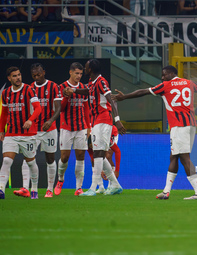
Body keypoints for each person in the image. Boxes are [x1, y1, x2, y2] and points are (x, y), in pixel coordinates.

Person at [113, 65, 197, 200]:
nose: (162, 77)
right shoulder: (189, 83)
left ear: (173, 73)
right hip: (190, 124)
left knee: (184, 158)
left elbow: (143, 92)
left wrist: (124, 97)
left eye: (165, 74)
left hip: (179, 126)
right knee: (174, 157)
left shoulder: (166, 85)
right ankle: (166, 191)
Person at [64, 59, 125, 196]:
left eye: (86, 67)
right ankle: (115, 184)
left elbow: (111, 100)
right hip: (96, 121)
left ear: (90, 69)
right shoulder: (92, 83)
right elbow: (88, 91)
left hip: (103, 120)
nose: (84, 69)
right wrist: (73, 90)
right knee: (99, 154)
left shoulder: (101, 81)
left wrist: (117, 120)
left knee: (98, 153)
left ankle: (92, 188)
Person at [13, 63, 61, 198]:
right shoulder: (29, 88)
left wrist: (51, 121)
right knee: (27, 158)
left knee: (50, 158)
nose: (36, 77)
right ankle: (25, 188)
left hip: (49, 128)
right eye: (34, 75)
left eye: (38, 74)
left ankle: (49, 189)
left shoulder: (53, 87)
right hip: (34, 130)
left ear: (44, 72)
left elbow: (58, 108)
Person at [0, 67, 42, 199]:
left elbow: (38, 108)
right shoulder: (6, 93)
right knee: (6, 160)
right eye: (14, 76)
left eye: (19, 75)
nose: (18, 78)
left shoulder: (29, 90)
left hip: (27, 134)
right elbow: (5, 114)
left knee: (31, 163)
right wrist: (1, 130)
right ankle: (1, 189)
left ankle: (34, 189)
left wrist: (30, 120)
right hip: (11, 133)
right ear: (9, 78)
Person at [54, 62, 91, 196]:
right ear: (70, 72)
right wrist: (65, 96)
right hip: (66, 127)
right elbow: (60, 109)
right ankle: (60, 180)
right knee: (64, 157)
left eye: (81, 74)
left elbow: (86, 108)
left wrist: (89, 126)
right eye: (76, 73)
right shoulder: (62, 87)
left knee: (80, 156)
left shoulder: (83, 88)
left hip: (81, 127)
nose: (79, 76)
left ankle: (79, 187)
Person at [86, 125, 122, 194]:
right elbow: (93, 157)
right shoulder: (86, 143)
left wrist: (117, 170)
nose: (92, 148)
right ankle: (101, 187)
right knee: (95, 159)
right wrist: (101, 170)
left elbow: (117, 151)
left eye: (93, 146)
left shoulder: (104, 139)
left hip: (110, 131)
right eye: (91, 147)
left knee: (108, 156)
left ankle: (111, 186)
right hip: (97, 130)